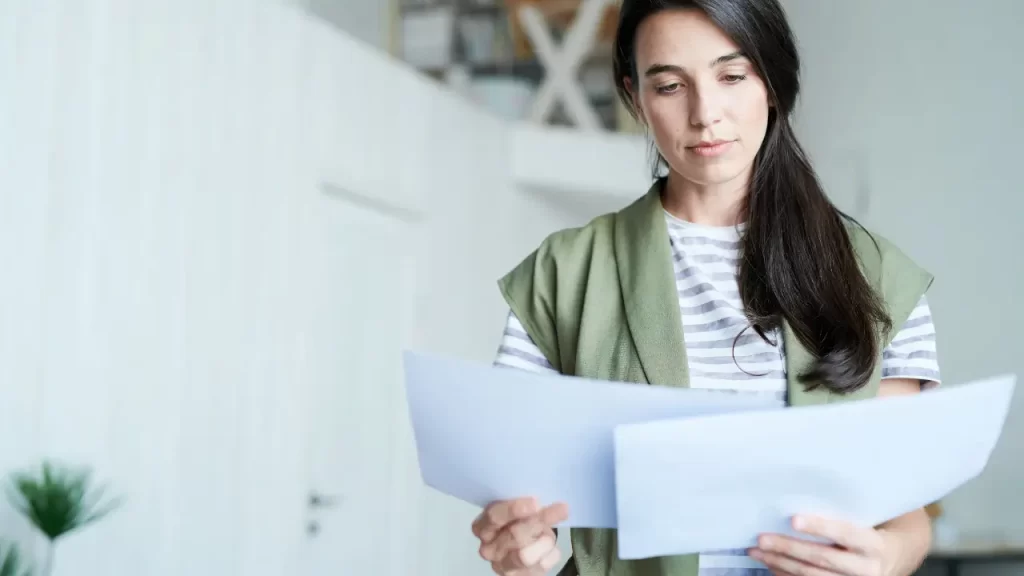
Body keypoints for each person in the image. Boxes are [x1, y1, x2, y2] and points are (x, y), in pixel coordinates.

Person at [471, 0, 941, 575]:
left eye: (732, 76)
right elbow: (515, 492)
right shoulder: (564, 274)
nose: (705, 113)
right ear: (635, 97)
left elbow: (904, 513)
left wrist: (890, 558)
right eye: (669, 86)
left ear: (770, 81)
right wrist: (518, 546)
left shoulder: (879, 277)